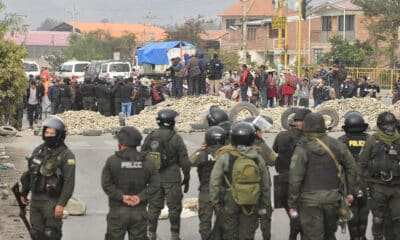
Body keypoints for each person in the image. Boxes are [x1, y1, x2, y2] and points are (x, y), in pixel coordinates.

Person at [288, 112, 357, 240]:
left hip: (309, 201)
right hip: (332, 199)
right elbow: (352, 167)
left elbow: (294, 179)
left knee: (312, 236)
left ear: (305, 126)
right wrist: (350, 192)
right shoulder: (337, 144)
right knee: (329, 235)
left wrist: (292, 204)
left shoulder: (302, 148)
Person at [209, 122, 271, 240]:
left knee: (230, 233)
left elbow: (214, 181)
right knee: (247, 234)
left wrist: (215, 200)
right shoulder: (258, 158)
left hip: (230, 199)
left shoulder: (225, 156)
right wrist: (264, 204)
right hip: (252, 200)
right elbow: (265, 184)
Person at [19, 116, 75, 240]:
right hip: (35, 201)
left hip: (52, 202)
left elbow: (69, 183)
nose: (49, 135)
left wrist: (61, 204)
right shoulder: (38, 151)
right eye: (47, 132)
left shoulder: (66, 155)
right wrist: (23, 193)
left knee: (51, 235)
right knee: (36, 234)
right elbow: (30, 174)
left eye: (52, 133)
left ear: (59, 135)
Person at [101, 126, 160, 240]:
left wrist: (122, 197)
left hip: (117, 212)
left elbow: (106, 184)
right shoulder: (148, 162)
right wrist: (140, 197)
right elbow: (155, 184)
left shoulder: (112, 161)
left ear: (121, 144)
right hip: (139, 212)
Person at [141, 109, 190, 240]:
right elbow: (184, 160)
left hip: (154, 177)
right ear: (171, 122)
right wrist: (187, 176)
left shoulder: (151, 136)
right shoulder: (176, 138)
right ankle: (174, 234)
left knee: (153, 207)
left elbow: (142, 155)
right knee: (174, 207)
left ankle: (151, 233)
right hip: (172, 176)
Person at [359, 112, 400, 239]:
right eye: (386, 125)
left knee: (397, 218)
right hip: (377, 186)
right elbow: (362, 163)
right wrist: (360, 185)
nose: (389, 128)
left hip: (397, 187)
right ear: (380, 126)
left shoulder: (399, 140)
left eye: (391, 124)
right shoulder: (373, 140)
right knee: (378, 219)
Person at [273, 108, 311, 240]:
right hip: (302, 184)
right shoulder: (309, 139)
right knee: (302, 218)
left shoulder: (282, 136)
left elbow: (275, 149)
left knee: (293, 213)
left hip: (283, 183)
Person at [189, 126, 226, 240]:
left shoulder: (203, 154)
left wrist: (200, 149)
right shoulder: (227, 153)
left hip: (206, 191)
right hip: (223, 191)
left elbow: (190, 161)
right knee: (224, 219)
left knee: (205, 220)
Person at [338, 111, 370, 240]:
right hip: (366, 182)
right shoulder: (369, 139)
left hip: (348, 182)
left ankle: (355, 237)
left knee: (351, 211)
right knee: (364, 211)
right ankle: (362, 236)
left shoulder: (341, 141)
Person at [244, 116, 275, 240]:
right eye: (260, 130)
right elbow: (273, 160)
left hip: (246, 189)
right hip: (262, 188)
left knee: (248, 219)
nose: (262, 132)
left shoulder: (238, 146)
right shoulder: (260, 146)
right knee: (265, 216)